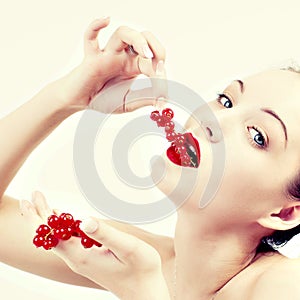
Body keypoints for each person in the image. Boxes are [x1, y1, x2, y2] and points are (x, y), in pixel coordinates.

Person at [3, 17, 300, 300]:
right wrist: (66, 97)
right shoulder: (146, 261)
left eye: (258, 135)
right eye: (226, 100)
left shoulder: (287, 285)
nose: (214, 120)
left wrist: (142, 291)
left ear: (285, 212)